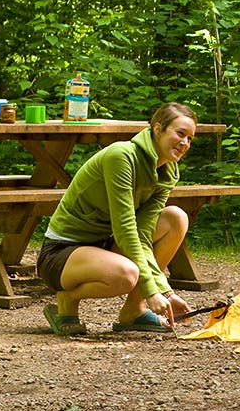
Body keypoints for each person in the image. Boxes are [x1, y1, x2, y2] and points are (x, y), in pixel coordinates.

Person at [35, 102, 196, 336]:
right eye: (180, 133)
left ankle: (133, 311)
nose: (185, 143)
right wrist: (153, 291)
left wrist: (165, 292)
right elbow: (125, 229)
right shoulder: (121, 156)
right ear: (158, 129)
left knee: (176, 219)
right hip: (62, 253)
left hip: (106, 244)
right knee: (127, 274)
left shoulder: (168, 172)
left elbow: (142, 233)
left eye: (190, 138)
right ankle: (67, 300)